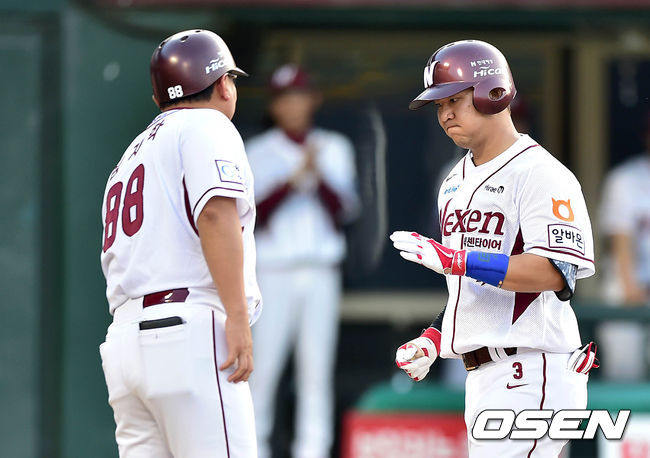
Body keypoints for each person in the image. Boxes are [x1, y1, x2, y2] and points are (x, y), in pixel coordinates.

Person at [391, 40, 597, 457]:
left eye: (455, 99)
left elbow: (557, 272)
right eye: (439, 105)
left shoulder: (540, 172)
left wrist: (457, 260)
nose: (445, 114)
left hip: (534, 366)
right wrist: (433, 339)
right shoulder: (453, 182)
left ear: (492, 92)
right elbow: (472, 289)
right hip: (484, 375)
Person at [99, 29, 261, 457]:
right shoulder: (208, 123)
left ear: (159, 99)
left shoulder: (129, 156)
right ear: (224, 84)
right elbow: (215, 215)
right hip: (186, 331)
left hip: (124, 344)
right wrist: (238, 316)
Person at [246, 64, 359, 458]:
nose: (292, 105)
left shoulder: (334, 147)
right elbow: (252, 217)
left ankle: (312, 450)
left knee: (316, 370)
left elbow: (344, 211)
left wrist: (317, 175)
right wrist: (292, 181)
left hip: (320, 270)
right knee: (262, 368)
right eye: (283, 98)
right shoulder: (256, 151)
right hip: (272, 271)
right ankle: (253, 448)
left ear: (313, 99)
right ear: (273, 105)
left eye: (298, 96)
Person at [597, 112, 650, 381]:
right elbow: (620, 240)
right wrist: (632, 290)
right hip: (628, 291)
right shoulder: (625, 179)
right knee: (624, 375)